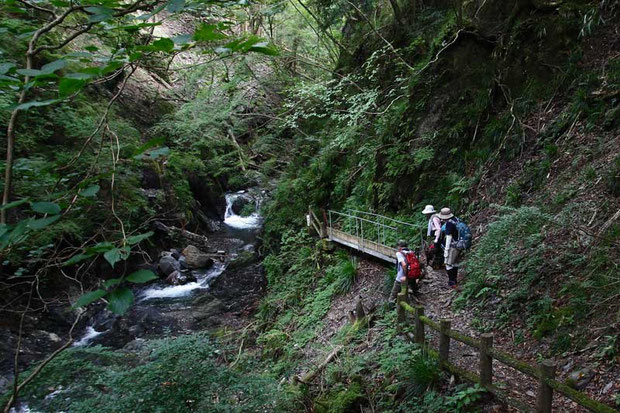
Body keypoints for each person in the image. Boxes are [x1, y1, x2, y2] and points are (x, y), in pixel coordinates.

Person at [437, 207, 460, 288]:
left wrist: (446, 250)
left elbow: (449, 237)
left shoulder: (449, 223)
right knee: (456, 262)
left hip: (452, 246)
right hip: (458, 244)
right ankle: (455, 280)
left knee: (448, 263)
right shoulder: (456, 219)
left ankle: (452, 282)